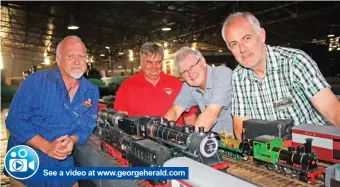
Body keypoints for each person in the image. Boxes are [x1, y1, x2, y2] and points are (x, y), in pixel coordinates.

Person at [221, 12, 340, 140]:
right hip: (271, 151)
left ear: (261, 35)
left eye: (247, 38)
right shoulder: (238, 77)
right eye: (234, 44)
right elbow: (241, 128)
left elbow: (332, 111)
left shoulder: (294, 61)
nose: (242, 49)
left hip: (314, 147)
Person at [5, 35, 99, 187]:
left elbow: (87, 127)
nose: (77, 61)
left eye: (81, 56)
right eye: (70, 56)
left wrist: (72, 140)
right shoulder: (36, 81)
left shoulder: (91, 90)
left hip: (63, 166)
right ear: (58, 59)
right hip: (27, 164)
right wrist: (47, 147)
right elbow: (14, 120)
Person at [114, 42, 197, 126]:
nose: (154, 67)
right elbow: (120, 119)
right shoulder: (127, 86)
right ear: (141, 62)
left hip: (173, 137)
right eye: (149, 62)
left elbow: (189, 115)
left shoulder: (176, 84)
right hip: (140, 138)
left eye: (158, 62)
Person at [164, 47, 233, 134]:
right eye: (184, 71)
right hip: (214, 141)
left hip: (236, 143)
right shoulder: (189, 85)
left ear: (203, 62)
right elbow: (175, 110)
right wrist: (161, 128)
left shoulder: (222, 74)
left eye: (192, 66)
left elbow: (211, 114)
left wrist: (190, 138)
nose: (190, 73)